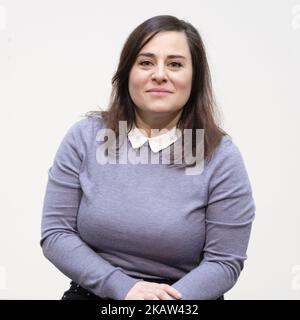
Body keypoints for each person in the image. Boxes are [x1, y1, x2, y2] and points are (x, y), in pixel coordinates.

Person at [40, 15, 256, 300]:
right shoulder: (85, 136)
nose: (160, 74)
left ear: (195, 78)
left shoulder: (221, 155)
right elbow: (56, 234)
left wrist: (160, 304)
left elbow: (225, 262)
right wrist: (124, 289)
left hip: (182, 299)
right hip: (96, 293)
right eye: (146, 62)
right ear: (127, 72)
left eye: (175, 64)